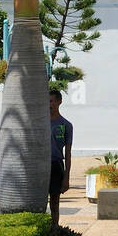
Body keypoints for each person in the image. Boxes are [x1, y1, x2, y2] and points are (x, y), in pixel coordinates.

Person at [49, 90, 73, 226]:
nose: (49, 104)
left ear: (59, 102)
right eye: (47, 101)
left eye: (52, 101)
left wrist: (66, 177)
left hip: (56, 165)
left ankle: (54, 228)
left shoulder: (66, 125)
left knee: (55, 201)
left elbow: (68, 153)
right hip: (40, 165)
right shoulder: (39, 123)